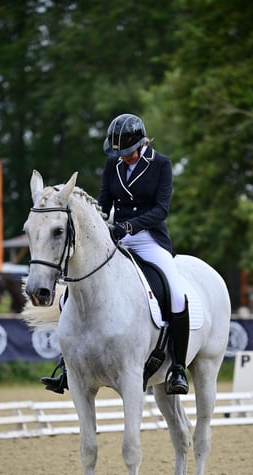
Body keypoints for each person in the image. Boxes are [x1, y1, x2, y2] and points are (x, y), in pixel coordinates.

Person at [41, 113, 190, 395]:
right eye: (120, 154)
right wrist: (99, 223)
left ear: (143, 144)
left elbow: (161, 209)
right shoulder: (114, 165)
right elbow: (104, 203)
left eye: (129, 153)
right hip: (116, 236)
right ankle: (67, 365)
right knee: (70, 295)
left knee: (176, 293)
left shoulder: (161, 164)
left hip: (149, 238)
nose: (125, 158)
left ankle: (178, 368)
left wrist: (131, 226)